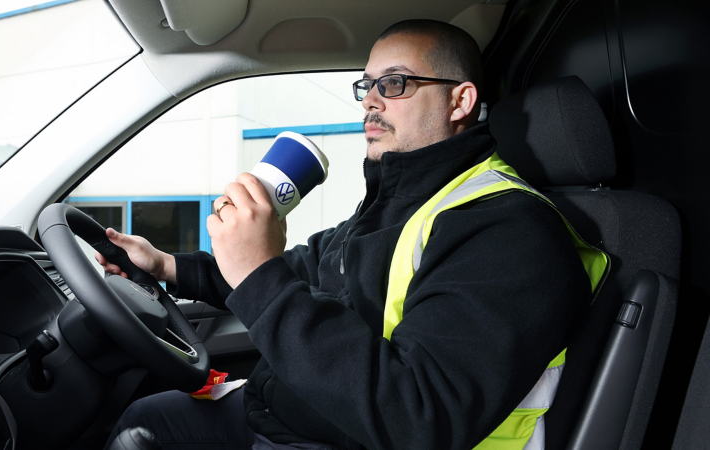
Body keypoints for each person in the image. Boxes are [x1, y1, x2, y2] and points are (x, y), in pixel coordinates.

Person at [99, 20, 594, 450]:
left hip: (341, 439)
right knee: (147, 415)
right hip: (285, 417)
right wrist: (166, 267)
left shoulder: (508, 230)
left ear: (459, 100)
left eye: (395, 84)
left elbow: (418, 419)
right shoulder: (393, 205)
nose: (372, 101)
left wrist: (260, 276)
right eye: (368, 85)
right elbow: (295, 271)